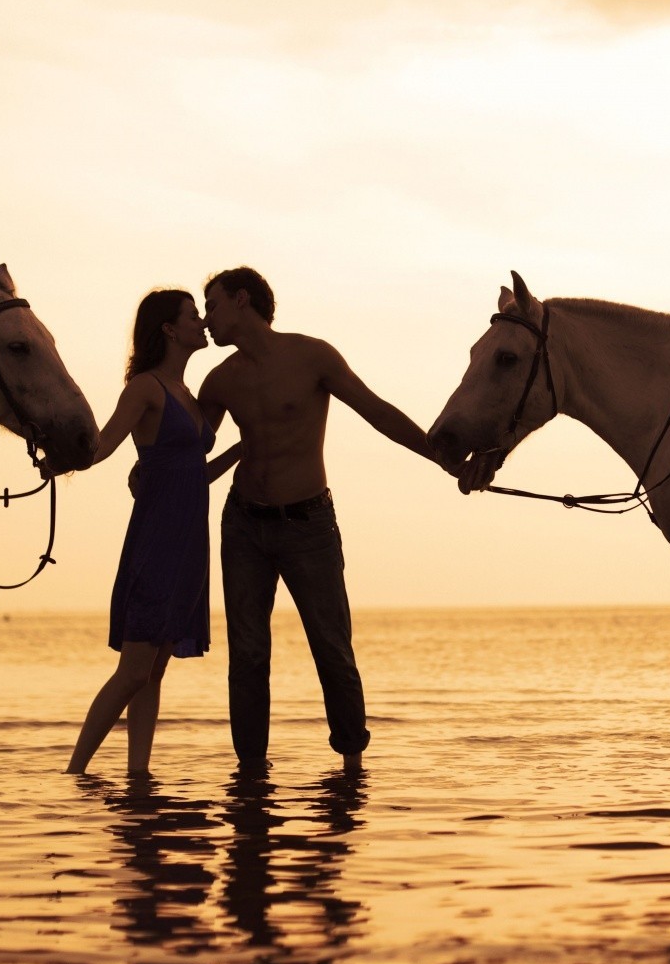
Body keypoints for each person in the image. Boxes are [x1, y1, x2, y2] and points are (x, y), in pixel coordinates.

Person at [197, 267, 434, 772]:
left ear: (242, 300)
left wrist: (442, 455)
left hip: (309, 525)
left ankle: (352, 765)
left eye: (212, 304)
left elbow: (377, 412)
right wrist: (154, 472)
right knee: (248, 655)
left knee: (331, 646)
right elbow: (189, 456)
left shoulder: (311, 356)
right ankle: (251, 772)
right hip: (243, 525)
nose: (206, 317)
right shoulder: (219, 382)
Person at [67, 290, 240, 776]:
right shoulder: (146, 388)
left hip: (190, 544)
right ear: (168, 328)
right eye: (192, 316)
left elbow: (194, 472)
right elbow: (100, 446)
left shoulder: (188, 394)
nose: (202, 322)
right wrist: (60, 456)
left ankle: (137, 774)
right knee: (133, 671)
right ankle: (74, 771)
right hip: (157, 539)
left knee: (154, 671)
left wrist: (245, 449)